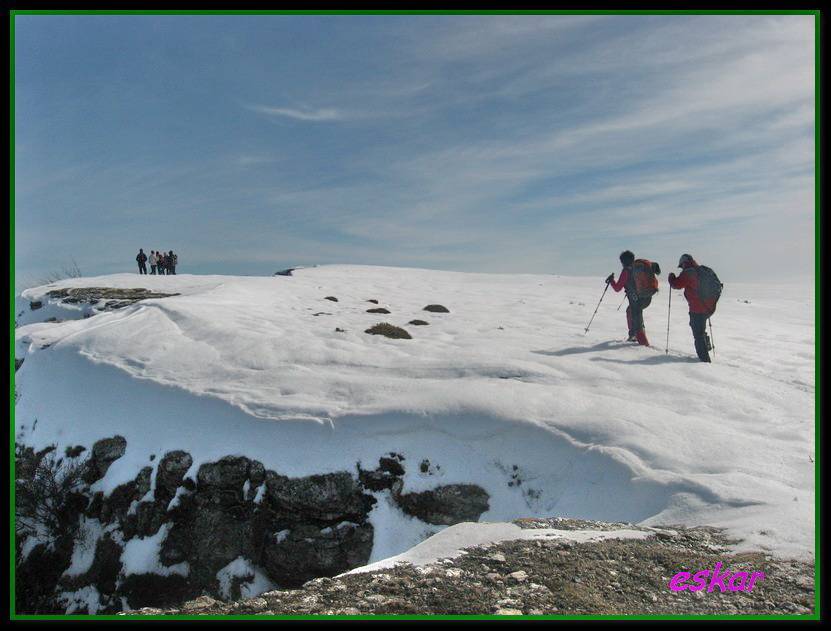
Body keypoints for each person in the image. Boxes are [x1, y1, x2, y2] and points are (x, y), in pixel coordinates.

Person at [668, 254, 721, 363]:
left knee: (698, 334)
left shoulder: (688, 273)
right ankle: (706, 347)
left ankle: (704, 361)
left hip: (698, 308)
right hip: (709, 306)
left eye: (681, 266)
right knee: (700, 329)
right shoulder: (704, 270)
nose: (682, 268)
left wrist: (671, 278)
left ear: (684, 263)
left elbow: (676, 285)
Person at [605, 250, 657, 346]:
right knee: (631, 312)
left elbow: (617, 288)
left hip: (636, 300)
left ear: (623, 261)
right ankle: (633, 335)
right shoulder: (640, 267)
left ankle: (643, 346)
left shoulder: (626, 271)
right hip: (647, 297)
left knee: (637, 320)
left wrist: (611, 281)